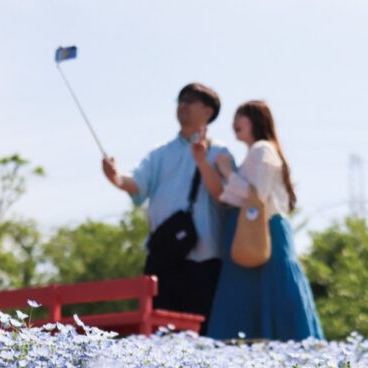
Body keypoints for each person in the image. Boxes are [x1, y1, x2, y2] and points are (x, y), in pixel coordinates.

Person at [102, 83, 235, 330]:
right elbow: (137, 184)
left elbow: (227, 197)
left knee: (202, 336)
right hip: (164, 256)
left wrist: (203, 161)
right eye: (180, 99)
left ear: (208, 111)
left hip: (204, 260)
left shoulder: (219, 152)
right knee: (158, 334)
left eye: (191, 100)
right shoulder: (159, 153)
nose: (183, 105)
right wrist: (116, 177)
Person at [197, 100, 324, 341]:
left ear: (256, 119)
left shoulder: (262, 149)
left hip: (263, 233)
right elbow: (230, 196)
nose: (234, 123)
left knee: (263, 292)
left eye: (240, 116)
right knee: (258, 295)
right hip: (253, 234)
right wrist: (207, 163)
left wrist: (226, 172)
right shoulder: (257, 152)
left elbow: (256, 196)